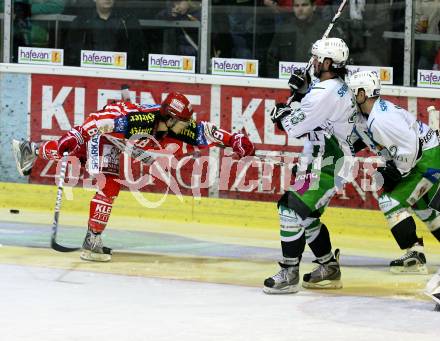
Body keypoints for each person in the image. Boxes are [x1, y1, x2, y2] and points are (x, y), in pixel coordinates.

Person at [12, 92, 255, 262]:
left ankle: (30, 150)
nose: (186, 125)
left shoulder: (179, 128)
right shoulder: (136, 121)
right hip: (107, 133)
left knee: (82, 160)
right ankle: (92, 240)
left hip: (120, 142)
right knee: (105, 181)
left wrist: (235, 140)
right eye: (182, 121)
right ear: (169, 119)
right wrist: (75, 134)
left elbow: (207, 131)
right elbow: (99, 122)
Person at [263, 37, 356, 294]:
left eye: (316, 58)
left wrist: (282, 112)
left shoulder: (324, 93)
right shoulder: (334, 87)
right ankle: (328, 266)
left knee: (289, 210)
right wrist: (302, 93)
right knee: (305, 215)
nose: (312, 62)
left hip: (328, 165)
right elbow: (315, 119)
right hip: (320, 161)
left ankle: (289, 272)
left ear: (327, 62)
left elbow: (294, 127)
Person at [347, 70, 440, 274]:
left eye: (352, 92)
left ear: (362, 94)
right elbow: (361, 137)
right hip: (424, 158)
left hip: (427, 160)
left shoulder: (382, 119)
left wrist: (399, 172)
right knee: (425, 209)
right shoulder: (366, 115)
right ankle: (415, 252)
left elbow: (412, 147)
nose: (349, 96)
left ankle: (414, 255)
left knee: (391, 202)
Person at [63, 0, 145, 69]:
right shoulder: (81, 21)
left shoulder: (128, 21)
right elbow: (72, 52)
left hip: (120, 72)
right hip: (88, 71)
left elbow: (137, 52)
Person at [265, 0, 326, 77]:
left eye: (304, 5)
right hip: (288, 79)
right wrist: (277, 78)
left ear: (313, 7)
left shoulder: (325, 30)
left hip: (317, 81)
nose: (300, 9)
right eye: (296, 6)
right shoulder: (285, 29)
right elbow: (272, 58)